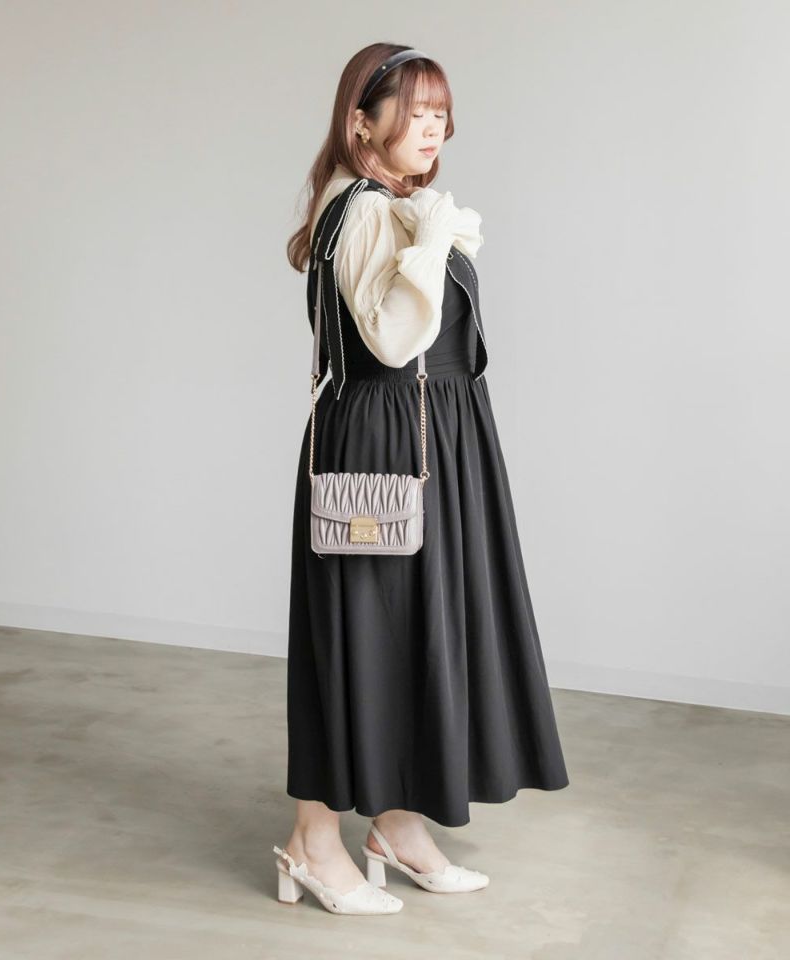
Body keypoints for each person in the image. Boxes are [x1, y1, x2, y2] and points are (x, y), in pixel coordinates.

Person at [275, 43, 570, 915]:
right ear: (361, 123)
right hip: (382, 446)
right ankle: (312, 843)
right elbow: (393, 341)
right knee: (362, 636)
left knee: (417, 632)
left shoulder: (394, 204)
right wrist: (433, 238)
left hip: (437, 438)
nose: (433, 127)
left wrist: (431, 229)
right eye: (414, 111)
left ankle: (397, 827)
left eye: (441, 112)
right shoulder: (364, 210)